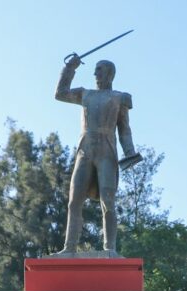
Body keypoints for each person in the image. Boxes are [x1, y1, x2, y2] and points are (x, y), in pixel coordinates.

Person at [55, 55, 140, 256]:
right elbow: (60, 93)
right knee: (74, 200)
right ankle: (69, 248)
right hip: (85, 151)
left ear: (110, 73)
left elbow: (124, 130)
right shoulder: (86, 94)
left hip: (106, 152)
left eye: (99, 69)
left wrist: (130, 152)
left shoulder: (120, 98)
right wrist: (69, 68)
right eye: (95, 69)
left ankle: (110, 248)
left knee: (108, 201)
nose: (95, 73)